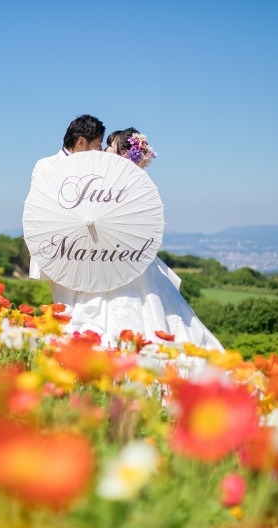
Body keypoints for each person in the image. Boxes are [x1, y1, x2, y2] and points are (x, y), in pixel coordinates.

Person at [32, 127, 224, 351]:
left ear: (121, 152)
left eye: (108, 146)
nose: (103, 151)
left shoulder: (112, 177)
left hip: (110, 253)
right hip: (108, 250)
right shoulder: (118, 176)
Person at [29, 115, 105, 279]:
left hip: (88, 247)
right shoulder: (46, 165)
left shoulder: (95, 168)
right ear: (81, 142)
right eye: (98, 144)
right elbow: (42, 206)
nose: (100, 150)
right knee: (63, 302)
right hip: (57, 246)